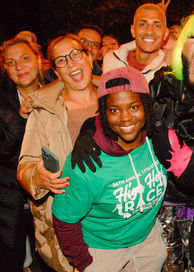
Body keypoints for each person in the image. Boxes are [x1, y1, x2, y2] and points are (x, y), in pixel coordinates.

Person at [71, 7, 194, 271]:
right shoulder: (165, 82)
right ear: (183, 47)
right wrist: (92, 129)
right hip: (155, 206)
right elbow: (130, 114)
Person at [52, 66, 167, 272]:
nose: (125, 118)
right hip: (102, 250)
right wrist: (83, 261)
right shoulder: (86, 163)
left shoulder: (157, 142)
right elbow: (64, 219)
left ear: (147, 107)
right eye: (114, 110)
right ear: (103, 113)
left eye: (133, 107)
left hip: (147, 240)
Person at [17, 34, 98, 272]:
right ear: (56, 71)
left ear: (89, 57)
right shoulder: (43, 110)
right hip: (72, 225)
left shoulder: (114, 96)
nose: (71, 63)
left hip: (115, 219)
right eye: (61, 60)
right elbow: (26, 164)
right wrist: (38, 177)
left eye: (75, 54)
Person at [0, 37, 43, 272]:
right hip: (11, 201)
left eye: (25, 58)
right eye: (10, 62)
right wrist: (21, 117)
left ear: (38, 59)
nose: (19, 67)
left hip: (53, 196)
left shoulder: (59, 90)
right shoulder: (3, 99)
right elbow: (3, 150)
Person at [102, 3, 169, 81]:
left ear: (166, 33)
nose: (149, 31)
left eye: (157, 26)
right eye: (143, 24)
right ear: (133, 30)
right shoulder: (111, 59)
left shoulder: (167, 75)